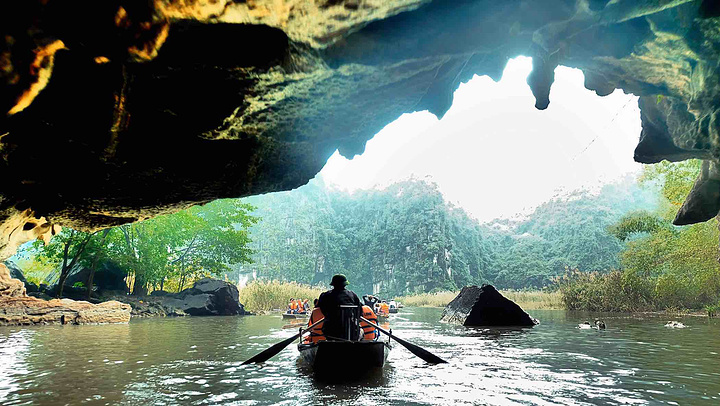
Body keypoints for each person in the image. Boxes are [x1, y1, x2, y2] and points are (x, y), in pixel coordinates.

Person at [317, 274, 361, 340]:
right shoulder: (353, 295)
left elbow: (322, 309)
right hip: (351, 330)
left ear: (333, 284)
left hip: (331, 330)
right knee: (361, 331)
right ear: (345, 284)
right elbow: (359, 312)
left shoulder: (326, 296)